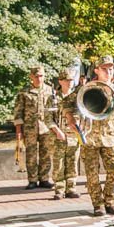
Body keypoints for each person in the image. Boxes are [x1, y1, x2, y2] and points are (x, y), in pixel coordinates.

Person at [80, 57, 114, 216]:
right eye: (105, 68)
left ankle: (110, 201)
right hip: (90, 137)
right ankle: (98, 204)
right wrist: (72, 121)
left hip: (111, 137)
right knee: (92, 173)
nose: (109, 71)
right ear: (96, 70)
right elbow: (67, 104)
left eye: (111, 68)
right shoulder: (86, 88)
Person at [12, 65, 56, 190]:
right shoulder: (24, 92)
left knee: (45, 154)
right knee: (31, 154)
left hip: (46, 128)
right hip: (30, 128)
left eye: (41, 76)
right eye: (36, 76)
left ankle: (44, 179)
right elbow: (18, 112)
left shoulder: (50, 91)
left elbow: (54, 110)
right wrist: (18, 130)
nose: (39, 79)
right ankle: (32, 180)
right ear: (31, 77)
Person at [50, 67, 82, 200]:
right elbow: (48, 118)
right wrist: (57, 131)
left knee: (73, 161)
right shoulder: (53, 98)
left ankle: (71, 187)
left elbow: (82, 114)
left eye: (71, 80)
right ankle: (59, 189)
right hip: (58, 136)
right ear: (60, 81)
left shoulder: (77, 97)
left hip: (73, 135)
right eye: (66, 80)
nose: (69, 83)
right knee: (59, 162)